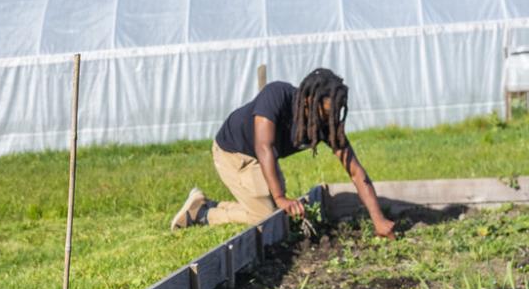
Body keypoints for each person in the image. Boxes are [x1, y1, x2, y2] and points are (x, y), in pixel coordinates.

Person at [170, 68, 398, 238]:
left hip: (262, 159)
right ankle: (202, 214)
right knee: (265, 217)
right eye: (325, 112)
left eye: (334, 112)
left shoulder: (325, 125)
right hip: (234, 153)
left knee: (277, 216)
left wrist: (379, 220)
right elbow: (263, 146)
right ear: (309, 100)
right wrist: (280, 197)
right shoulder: (277, 94)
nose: (328, 119)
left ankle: (207, 205)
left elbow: (357, 173)